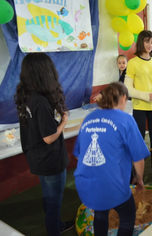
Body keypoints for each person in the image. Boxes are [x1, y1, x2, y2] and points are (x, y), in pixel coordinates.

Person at [73, 82, 149, 236]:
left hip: (85, 185)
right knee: (128, 215)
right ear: (123, 98)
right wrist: (139, 179)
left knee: (101, 210)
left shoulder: (89, 118)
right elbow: (139, 159)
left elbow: (78, 155)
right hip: (113, 186)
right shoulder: (125, 119)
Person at [14, 53, 74, 235]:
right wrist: (64, 121)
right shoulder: (40, 101)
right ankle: (54, 230)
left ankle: (57, 225)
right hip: (49, 160)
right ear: (44, 73)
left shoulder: (27, 95)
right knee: (54, 200)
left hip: (37, 157)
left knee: (49, 196)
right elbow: (49, 137)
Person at [124, 30, 152, 176]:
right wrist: (146, 96)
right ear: (141, 42)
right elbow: (128, 89)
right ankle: (136, 174)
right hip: (139, 107)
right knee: (138, 140)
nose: (150, 45)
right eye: (147, 41)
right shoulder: (133, 62)